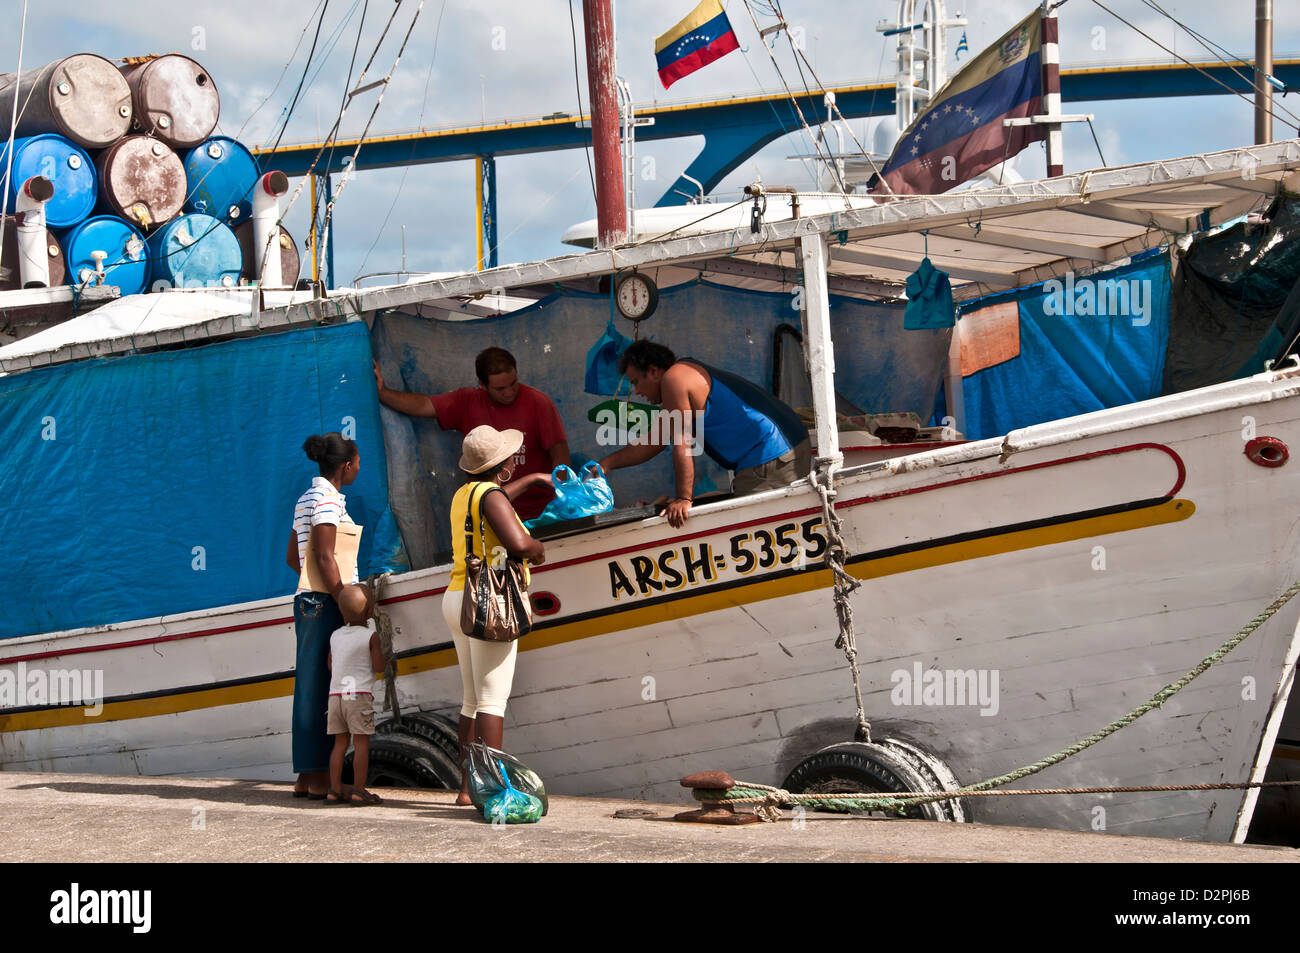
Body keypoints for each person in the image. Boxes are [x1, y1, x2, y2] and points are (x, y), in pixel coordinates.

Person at [599, 341, 811, 528]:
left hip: (772, 454)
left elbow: (682, 443)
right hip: (790, 442)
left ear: (654, 371)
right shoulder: (684, 375)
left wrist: (683, 498)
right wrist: (605, 465)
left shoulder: (674, 379)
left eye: (635, 382)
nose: (636, 392)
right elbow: (653, 443)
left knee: (754, 532)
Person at [442, 425, 546, 806]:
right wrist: (537, 549)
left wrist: (533, 480)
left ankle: (467, 789)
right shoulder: (491, 495)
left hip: (457, 597)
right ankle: (494, 790)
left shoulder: (463, 495)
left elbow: (496, 501)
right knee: (492, 701)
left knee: (471, 700)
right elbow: (517, 543)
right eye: (509, 460)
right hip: (490, 602)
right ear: (500, 466)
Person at [372, 346, 570, 520]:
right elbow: (424, 405)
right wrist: (383, 392)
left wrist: (563, 497)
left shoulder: (539, 403)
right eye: (500, 388)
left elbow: (559, 453)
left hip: (541, 513)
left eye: (513, 383)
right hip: (493, 514)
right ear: (482, 385)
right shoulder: (468, 402)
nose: (509, 392)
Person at [285, 432, 361, 799]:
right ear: (346, 466)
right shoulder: (328, 500)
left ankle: (306, 775)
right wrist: (343, 596)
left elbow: (293, 558)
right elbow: (325, 556)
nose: (359, 467)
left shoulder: (305, 498)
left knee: (310, 686)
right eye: (357, 462)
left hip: (307, 601)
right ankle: (316, 778)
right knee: (320, 689)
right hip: (323, 602)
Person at [326, 584, 386, 806]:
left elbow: (331, 665)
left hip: (336, 696)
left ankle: (334, 789)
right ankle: (359, 790)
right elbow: (379, 666)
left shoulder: (335, 635)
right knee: (361, 744)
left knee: (339, 744)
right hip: (358, 696)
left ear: (342, 613)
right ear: (369, 612)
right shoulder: (371, 636)